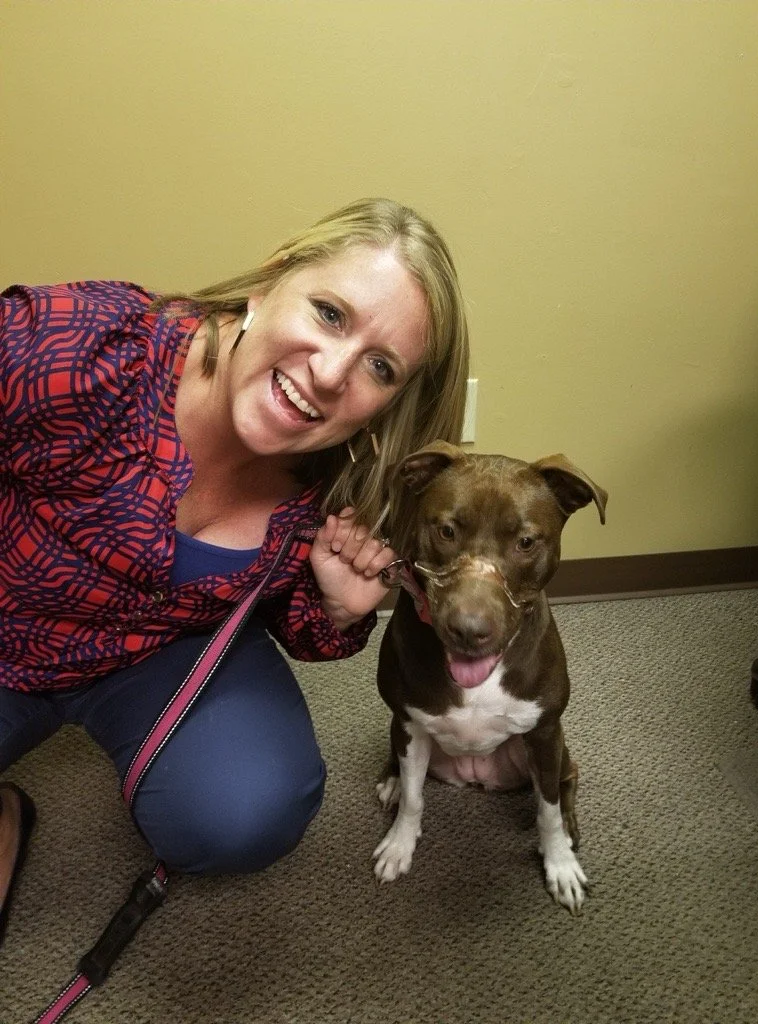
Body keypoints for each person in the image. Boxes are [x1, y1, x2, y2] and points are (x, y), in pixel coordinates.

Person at [0, 197, 469, 947]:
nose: (330, 373)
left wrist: (340, 610)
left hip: (168, 652)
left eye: (379, 367)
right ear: (272, 280)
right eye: (329, 314)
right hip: (12, 630)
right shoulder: (88, 347)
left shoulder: (344, 481)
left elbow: (297, 627)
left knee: (245, 811)